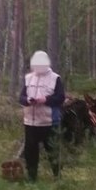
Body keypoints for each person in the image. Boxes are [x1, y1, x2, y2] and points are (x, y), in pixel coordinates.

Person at [19, 50, 65, 182]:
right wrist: (28, 100)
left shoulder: (55, 78)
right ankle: (32, 177)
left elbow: (60, 98)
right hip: (30, 122)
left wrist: (45, 100)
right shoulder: (28, 78)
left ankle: (57, 177)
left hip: (49, 121)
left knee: (52, 150)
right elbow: (21, 97)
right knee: (30, 151)